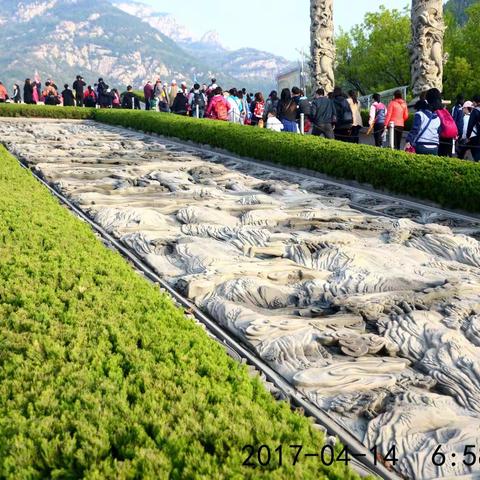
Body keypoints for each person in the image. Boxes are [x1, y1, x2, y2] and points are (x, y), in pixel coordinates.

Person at [466, 94, 480, 162]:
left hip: (476, 137)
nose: (472, 103)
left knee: (476, 155)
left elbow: (470, 125)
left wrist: (468, 136)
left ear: (477, 102)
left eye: (473, 101)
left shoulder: (475, 111)